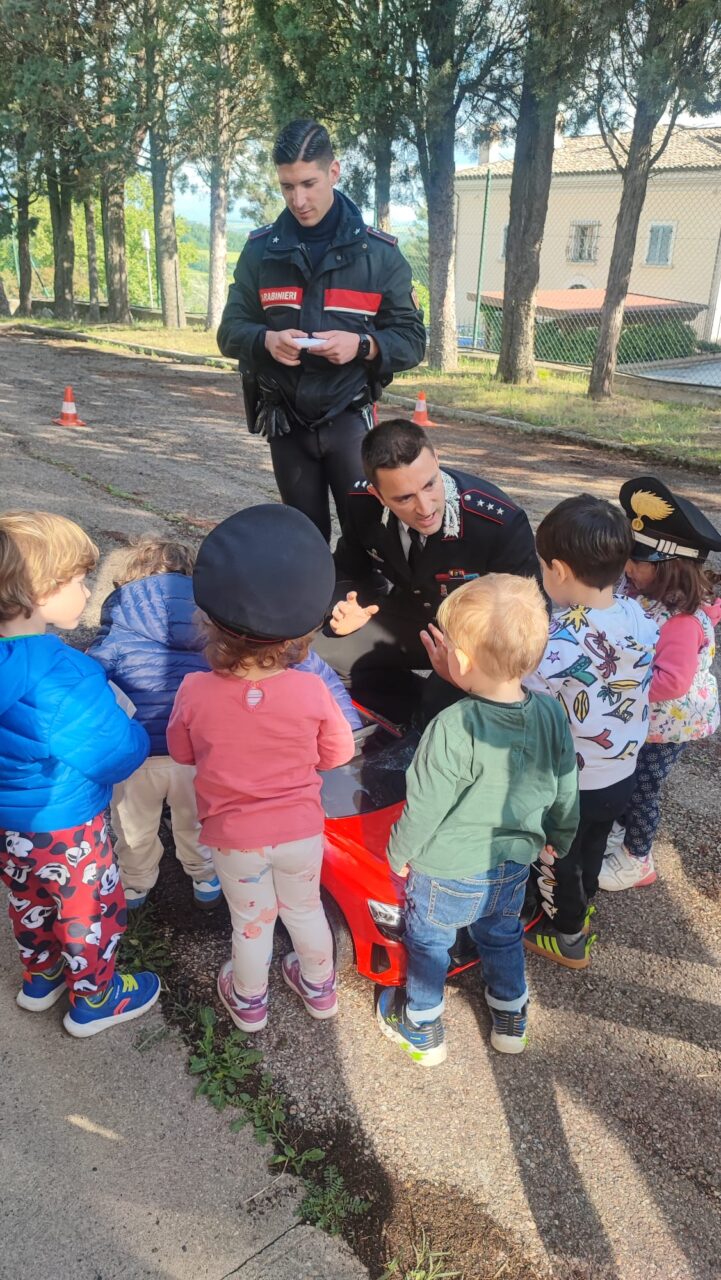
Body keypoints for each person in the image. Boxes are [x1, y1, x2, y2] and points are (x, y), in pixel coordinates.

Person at [167, 505, 355, 1034]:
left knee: (252, 923)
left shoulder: (194, 691)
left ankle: (249, 1000)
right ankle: (319, 988)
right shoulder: (313, 688)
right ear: (297, 634)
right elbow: (338, 754)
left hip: (235, 838)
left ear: (210, 625)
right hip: (300, 830)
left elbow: (181, 753)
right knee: (303, 910)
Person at [376, 574, 579, 1065]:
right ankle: (510, 1014)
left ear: (460, 661)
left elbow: (425, 804)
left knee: (428, 943)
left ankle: (422, 1026)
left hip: (446, 868)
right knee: (501, 932)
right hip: (512, 863)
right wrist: (560, 835)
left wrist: (399, 853)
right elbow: (565, 782)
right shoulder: (551, 714)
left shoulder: (453, 725)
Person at [217, 119, 426, 542]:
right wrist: (265, 340)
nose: (299, 199)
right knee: (302, 543)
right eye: (287, 187)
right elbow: (230, 330)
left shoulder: (379, 256)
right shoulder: (261, 251)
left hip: (349, 420)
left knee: (367, 540)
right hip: (287, 424)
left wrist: (364, 345)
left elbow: (412, 340)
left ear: (334, 172)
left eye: (309, 183)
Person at [0, 511, 159, 1038]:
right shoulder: (66, 678)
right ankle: (95, 997)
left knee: (29, 898)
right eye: (76, 579)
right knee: (87, 907)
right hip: (68, 824)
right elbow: (117, 756)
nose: (85, 589)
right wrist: (129, 720)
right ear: (36, 592)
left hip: (10, 826)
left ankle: (41, 976)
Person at [313, 418, 541, 723]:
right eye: (404, 498)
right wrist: (354, 605)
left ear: (437, 461)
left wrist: (466, 668)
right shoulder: (360, 503)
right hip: (411, 620)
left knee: (442, 705)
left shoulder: (498, 523)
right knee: (320, 654)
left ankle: (430, 717)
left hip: (476, 644)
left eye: (429, 484)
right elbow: (350, 568)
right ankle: (409, 720)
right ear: (378, 494)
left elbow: (528, 618)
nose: (424, 508)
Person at [521, 495, 659, 968]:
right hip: (621, 770)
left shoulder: (555, 641)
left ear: (557, 570)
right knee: (594, 844)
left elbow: (522, 698)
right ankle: (586, 896)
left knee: (556, 857)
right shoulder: (639, 616)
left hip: (571, 783)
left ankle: (567, 933)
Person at [599, 476, 721, 891]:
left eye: (638, 561)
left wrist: (620, 679)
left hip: (666, 728)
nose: (628, 568)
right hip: (646, 720)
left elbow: (672, 682)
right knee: (626, 778)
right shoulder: (647, 594)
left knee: (641, 789)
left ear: (671, 566)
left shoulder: (682, 622)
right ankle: (619, 833)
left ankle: (638, 857)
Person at [87, 537, 222, 910]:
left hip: (136, 749)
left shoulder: (121, 623)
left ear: (134, 576)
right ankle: (204, 875)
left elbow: (93, 678)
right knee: (195, 816)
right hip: (193, 750)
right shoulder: (211, 619)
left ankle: (135, 883)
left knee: (133, 824)